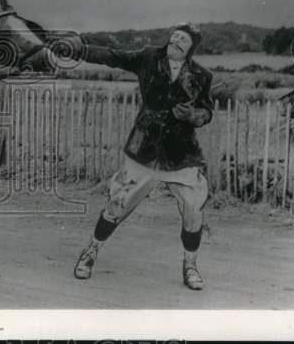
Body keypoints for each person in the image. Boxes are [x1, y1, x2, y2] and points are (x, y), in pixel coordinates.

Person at [62, 23, 214, 290]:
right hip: (144, 150)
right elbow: (113, 56)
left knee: (193, 210)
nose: (175, 41)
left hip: (182, 155)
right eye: (174, 36)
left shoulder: (202, 75)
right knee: (117, 204)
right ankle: (90, 252)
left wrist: (194, 116)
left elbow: (206, 111)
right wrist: (80, 49)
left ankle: (190, 266)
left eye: (183, 40)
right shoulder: (148, 57)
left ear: (190, 50)